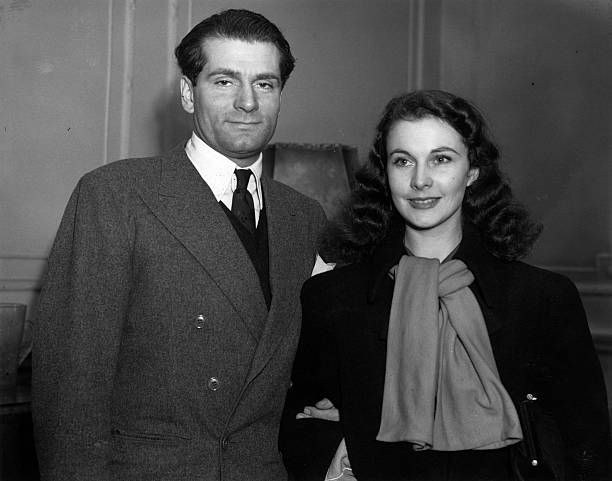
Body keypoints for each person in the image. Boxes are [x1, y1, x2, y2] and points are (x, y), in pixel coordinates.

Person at [32, 9, 326, 481]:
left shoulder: (303, 216)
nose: (248, 102)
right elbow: (71, 389)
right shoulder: (116, 195)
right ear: (189, 93)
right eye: (225, 81)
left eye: (265, 83)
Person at [280, 90, 610, 481]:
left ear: (472, 171)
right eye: (403, 161)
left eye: (441, 159)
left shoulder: (543, 299)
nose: (420, 180)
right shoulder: (331, 298)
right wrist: (348, 440)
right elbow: (299, 423)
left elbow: (585, 446)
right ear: (385, 173)